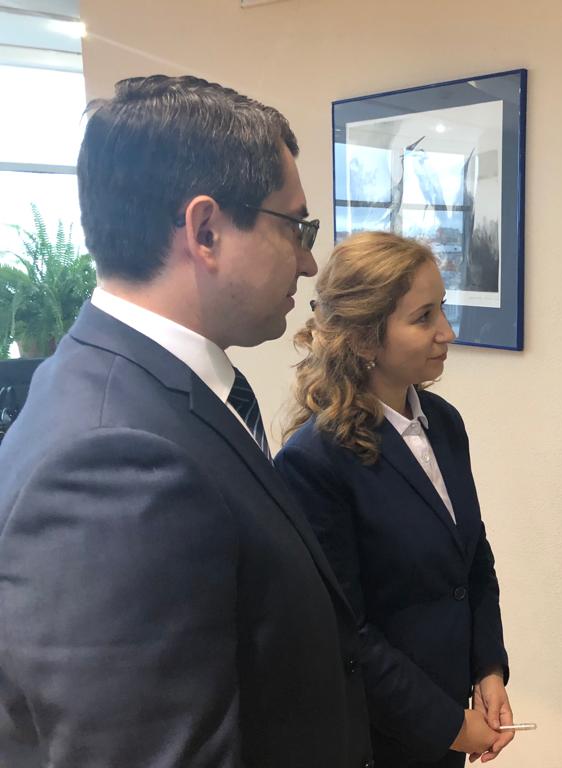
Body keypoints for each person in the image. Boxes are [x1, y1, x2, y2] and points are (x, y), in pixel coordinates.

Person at [0, 75, 372, 767]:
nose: (309, 260)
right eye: (296, 227)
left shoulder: (145, 388)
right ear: (206, 232)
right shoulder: (113, 462)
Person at [276, 231, 513, 768]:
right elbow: (347, 635)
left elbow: (473, 560)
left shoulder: (445, 424)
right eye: (424, 317)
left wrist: (488, 669)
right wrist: (450, 725)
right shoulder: (313, 462)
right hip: (377, 740)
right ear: (364, 340)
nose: (447, 332)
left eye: (442, 309)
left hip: (447, 720)